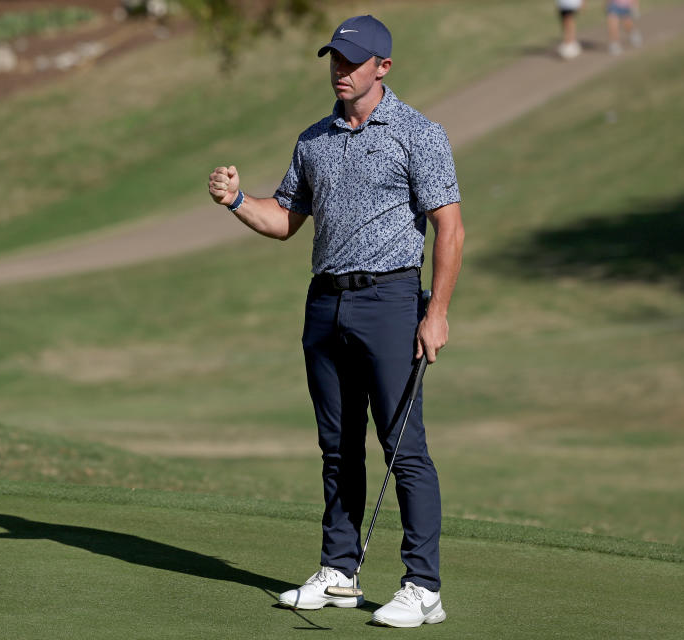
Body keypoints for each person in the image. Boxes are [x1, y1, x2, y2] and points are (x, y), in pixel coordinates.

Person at [207, 14, 464, 628]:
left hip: (391, 300)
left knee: (404, 448)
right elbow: (284, 220)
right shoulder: (313, 140)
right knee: (336, 446)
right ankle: (339, 572)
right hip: (325, 304)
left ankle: (422, 585)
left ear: (384, 66)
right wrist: (238, 201)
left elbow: (448, 227)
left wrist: (437, 313)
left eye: (352, 62)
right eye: (334, 60)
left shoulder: (418, 133)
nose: (340, 71)